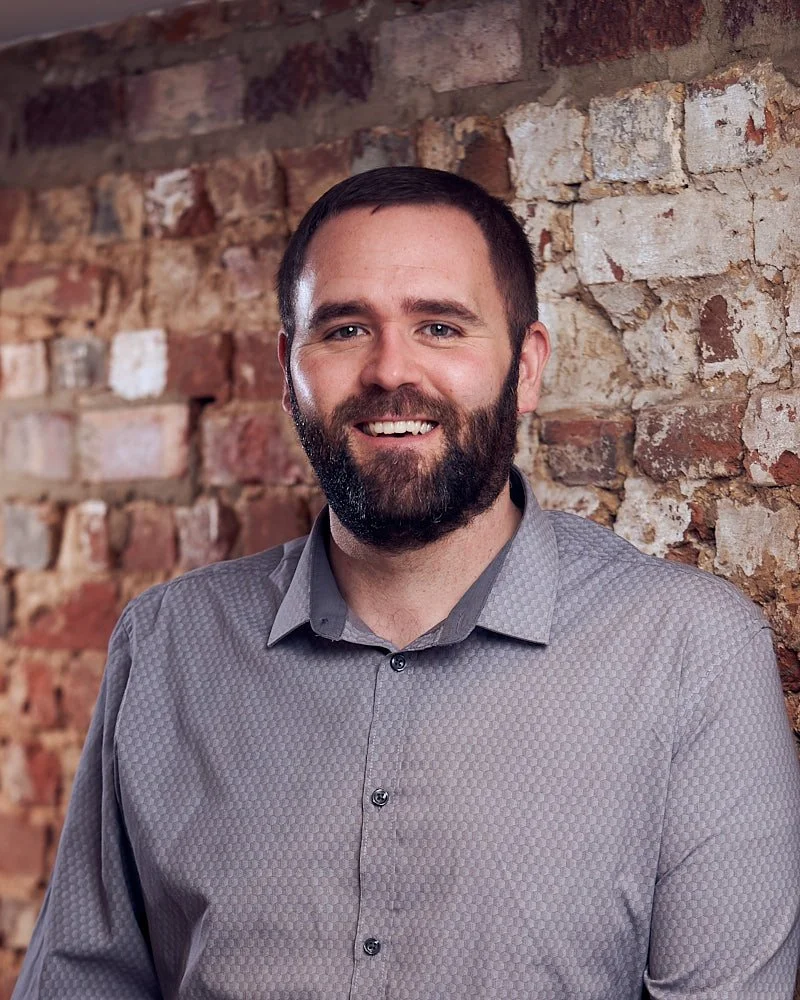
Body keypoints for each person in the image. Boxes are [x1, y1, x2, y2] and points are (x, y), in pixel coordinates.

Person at [13, 167, 800, 1000]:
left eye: (440, 326)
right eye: (346, 329)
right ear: (288, 369)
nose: (391, 370)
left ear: (527, 367)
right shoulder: (168, 645)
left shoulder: (690, 652)